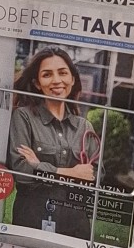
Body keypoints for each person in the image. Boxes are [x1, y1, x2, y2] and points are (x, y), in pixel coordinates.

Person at [6, 46, 97, 237]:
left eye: (62, 73)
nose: (56, 80)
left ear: (72, 79)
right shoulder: (23, 117)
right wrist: (71, 173)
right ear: (37, 83)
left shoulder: (85, 127)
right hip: (31, 220)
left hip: (76, 225)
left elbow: (95, 177)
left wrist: (39, 166)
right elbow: (21, 172)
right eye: (47, 74)